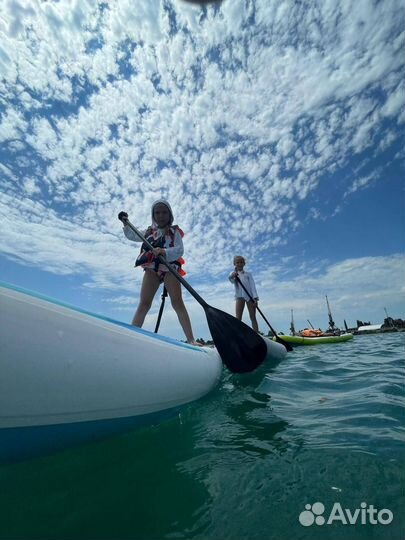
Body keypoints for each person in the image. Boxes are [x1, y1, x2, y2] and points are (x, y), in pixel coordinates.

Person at [119, 199, 200, 345]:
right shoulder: (149, 231)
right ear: (153, 215)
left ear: (170, 215)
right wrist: (126, 223)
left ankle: (191, 339)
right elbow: (133, 235)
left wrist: (163, 251)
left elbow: (179, 250)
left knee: (177, 302)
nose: (161, 215)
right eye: (157, 212)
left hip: (170, 269)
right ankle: (131, 336)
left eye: (164, 212)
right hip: (152, 269)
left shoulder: (175, 232)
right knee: (144, 303)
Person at [228, 255, 259, 332]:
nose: (239, 264)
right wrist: (233, 275)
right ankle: (238, 334)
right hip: (239, 297)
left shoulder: (248, 274)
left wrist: (255, 298)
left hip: (250, 297)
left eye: (241, 262)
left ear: (244, 264)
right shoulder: (233, 274)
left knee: (253, 317)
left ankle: (257, 334)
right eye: (237, 262)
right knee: (238, 318)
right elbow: (231, 279)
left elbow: (253, 286)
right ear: (234, 264)